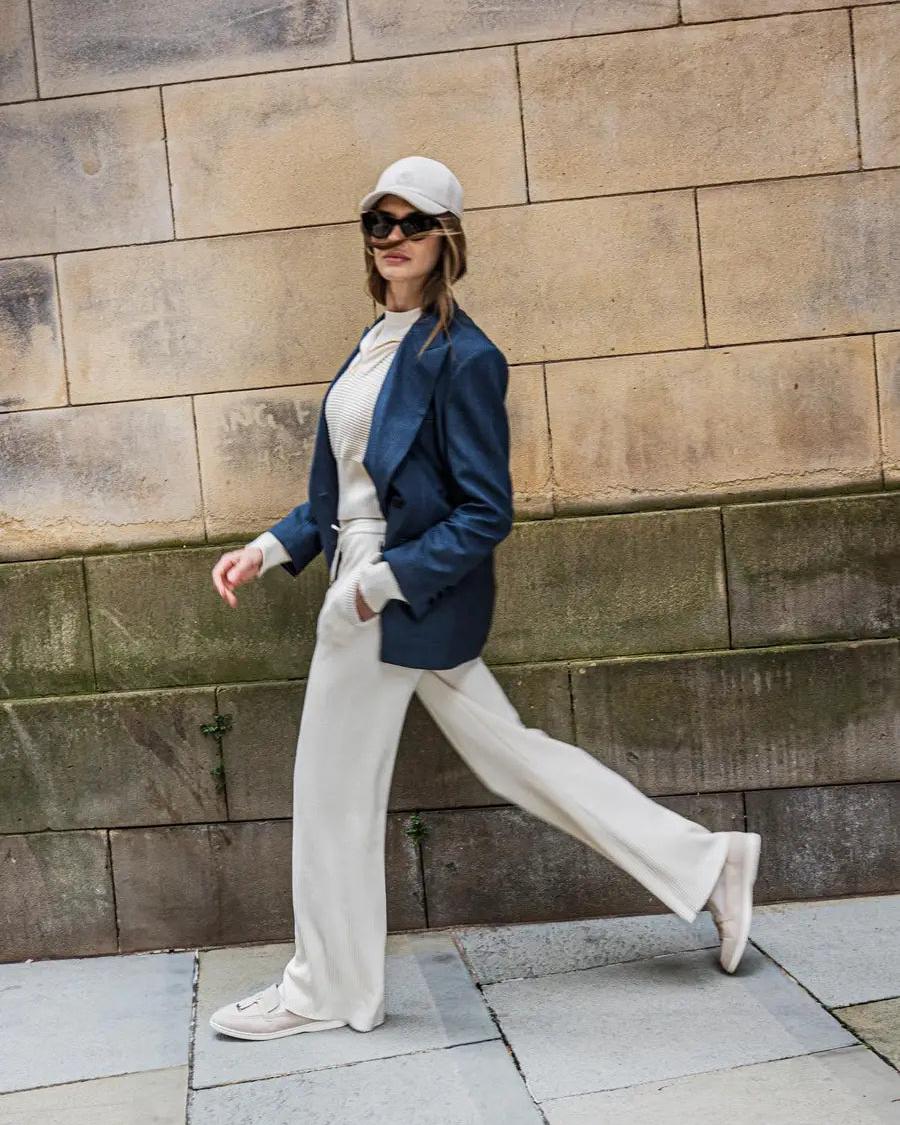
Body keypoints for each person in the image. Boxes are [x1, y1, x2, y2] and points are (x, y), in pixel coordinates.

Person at [208, 155, 762, 1041]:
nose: (393, 239)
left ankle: (324, 991)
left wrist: (375, 587)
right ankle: (710, 864)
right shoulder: (371, 343)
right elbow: (345, 490)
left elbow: (483, 511)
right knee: (519, 759)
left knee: (331, 798)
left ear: (446, 239)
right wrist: (270, 548)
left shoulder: (465, 356)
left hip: (387, 595)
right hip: (369, 583)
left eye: (413, 224)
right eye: (378, 224)